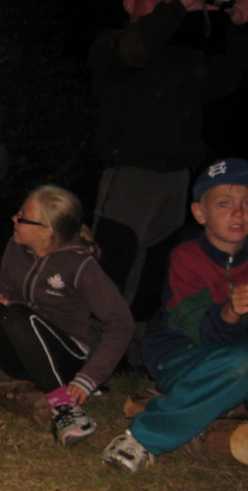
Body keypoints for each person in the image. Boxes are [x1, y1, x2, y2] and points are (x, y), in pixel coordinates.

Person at [89, 0, 248, 317]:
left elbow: (226, 78)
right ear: (130, 4)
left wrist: (239, 27)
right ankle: (95, 336)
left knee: (156, 265)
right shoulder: (113, 43)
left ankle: (136, 339)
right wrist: (177, 8)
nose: (167, 4)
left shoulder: (181, 57)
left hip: (176, 177)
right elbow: (134, 51)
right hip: (131, 172)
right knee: (114, 257)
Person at [0, 185, 134, 445]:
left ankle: (64, 407)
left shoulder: (80, 265)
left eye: (22, 217)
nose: (14, 219)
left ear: (46, 232)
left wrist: (89, 378)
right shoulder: (17, 248)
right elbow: (3, 286)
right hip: (21, 356)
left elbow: (121, 324)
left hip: (64, 359)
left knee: (16, 315)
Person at [103, 160, 248, 473]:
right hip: (183, 357)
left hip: (234, 362)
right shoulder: (187, 257)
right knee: (243, 360)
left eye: (247, 203)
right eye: (224, 203)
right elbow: (197, 331)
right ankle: (144, 437)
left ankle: (222, 401)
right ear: (199, 212)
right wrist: (230, 312)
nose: (239, 213)